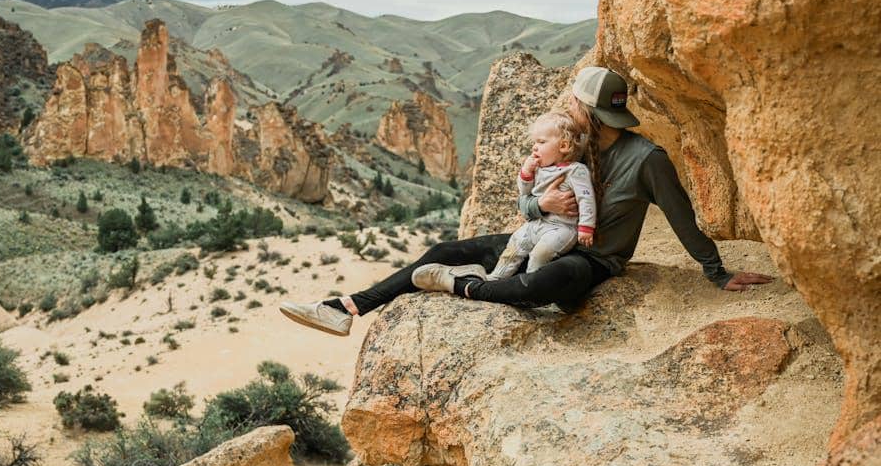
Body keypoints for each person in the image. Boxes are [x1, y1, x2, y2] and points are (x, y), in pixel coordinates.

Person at [279, 66, 772, 337]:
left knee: (540, 287)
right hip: (541, 237)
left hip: (591, 259)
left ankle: (461, 286)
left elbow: (682, 218)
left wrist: (717, 273)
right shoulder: (570, 148)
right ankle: (345, 307)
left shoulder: (646, 159)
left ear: (590, 111)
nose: (568, 107)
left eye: (575, 103)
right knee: (445, 249)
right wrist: (543, 208)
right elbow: (529, 208)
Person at [487, 111, 596, 281]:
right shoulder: (539, 168)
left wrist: (586, 227)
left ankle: (531, 283)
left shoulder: (575, 170)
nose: (534, 147)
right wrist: (526, 172)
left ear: (563, 146)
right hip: (537, 223)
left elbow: (586, 199)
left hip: (562, 227)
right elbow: (524, 193)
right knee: (515, 243)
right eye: (535, 142)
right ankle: (496, 277)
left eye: (541, 142)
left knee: (540, 254)